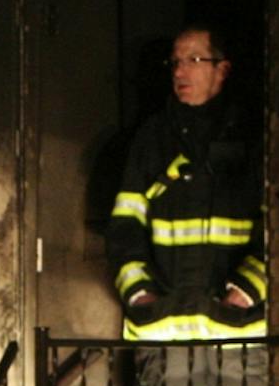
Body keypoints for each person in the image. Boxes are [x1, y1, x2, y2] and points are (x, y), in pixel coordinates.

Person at [107, 24, 267, 342]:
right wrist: (140, 295)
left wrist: (244, 293)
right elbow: (124, 226)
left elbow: (276, 228)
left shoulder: (251, 138)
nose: (180, 71)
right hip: (161, 332)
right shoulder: (151, 138)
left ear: (222, 69)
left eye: (193, 60)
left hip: (236, 335)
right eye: (175, 62)